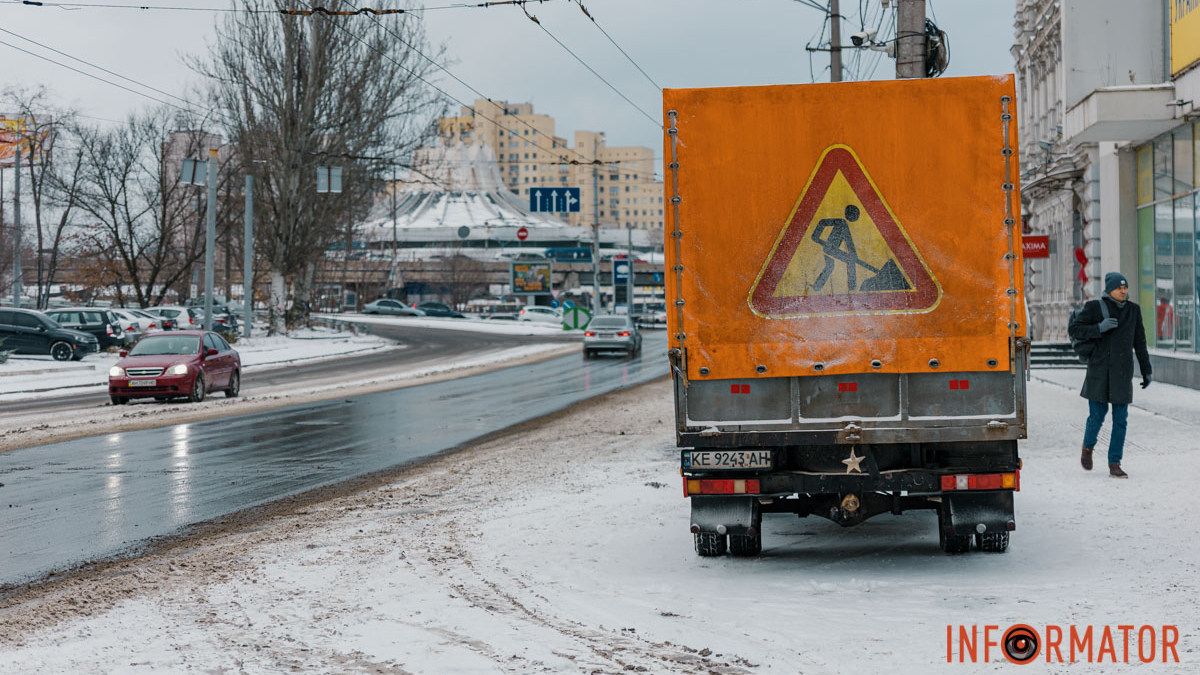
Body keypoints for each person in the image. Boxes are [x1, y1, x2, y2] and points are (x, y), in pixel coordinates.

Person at [1068, 272, 1152, 478]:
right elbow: (1075, 329)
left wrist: (1146, 369)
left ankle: (1114, 462)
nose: (1124, 291)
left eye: (1125, 287)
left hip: (1122, 372)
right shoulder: (1095, 307)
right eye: (1119, 287)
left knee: (1121, 419)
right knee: (1097, 416)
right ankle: (1087, 447)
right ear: (1109, 289)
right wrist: (1098, 328)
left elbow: (1139, 342)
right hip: (1099, 371)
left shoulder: (1133, 310)